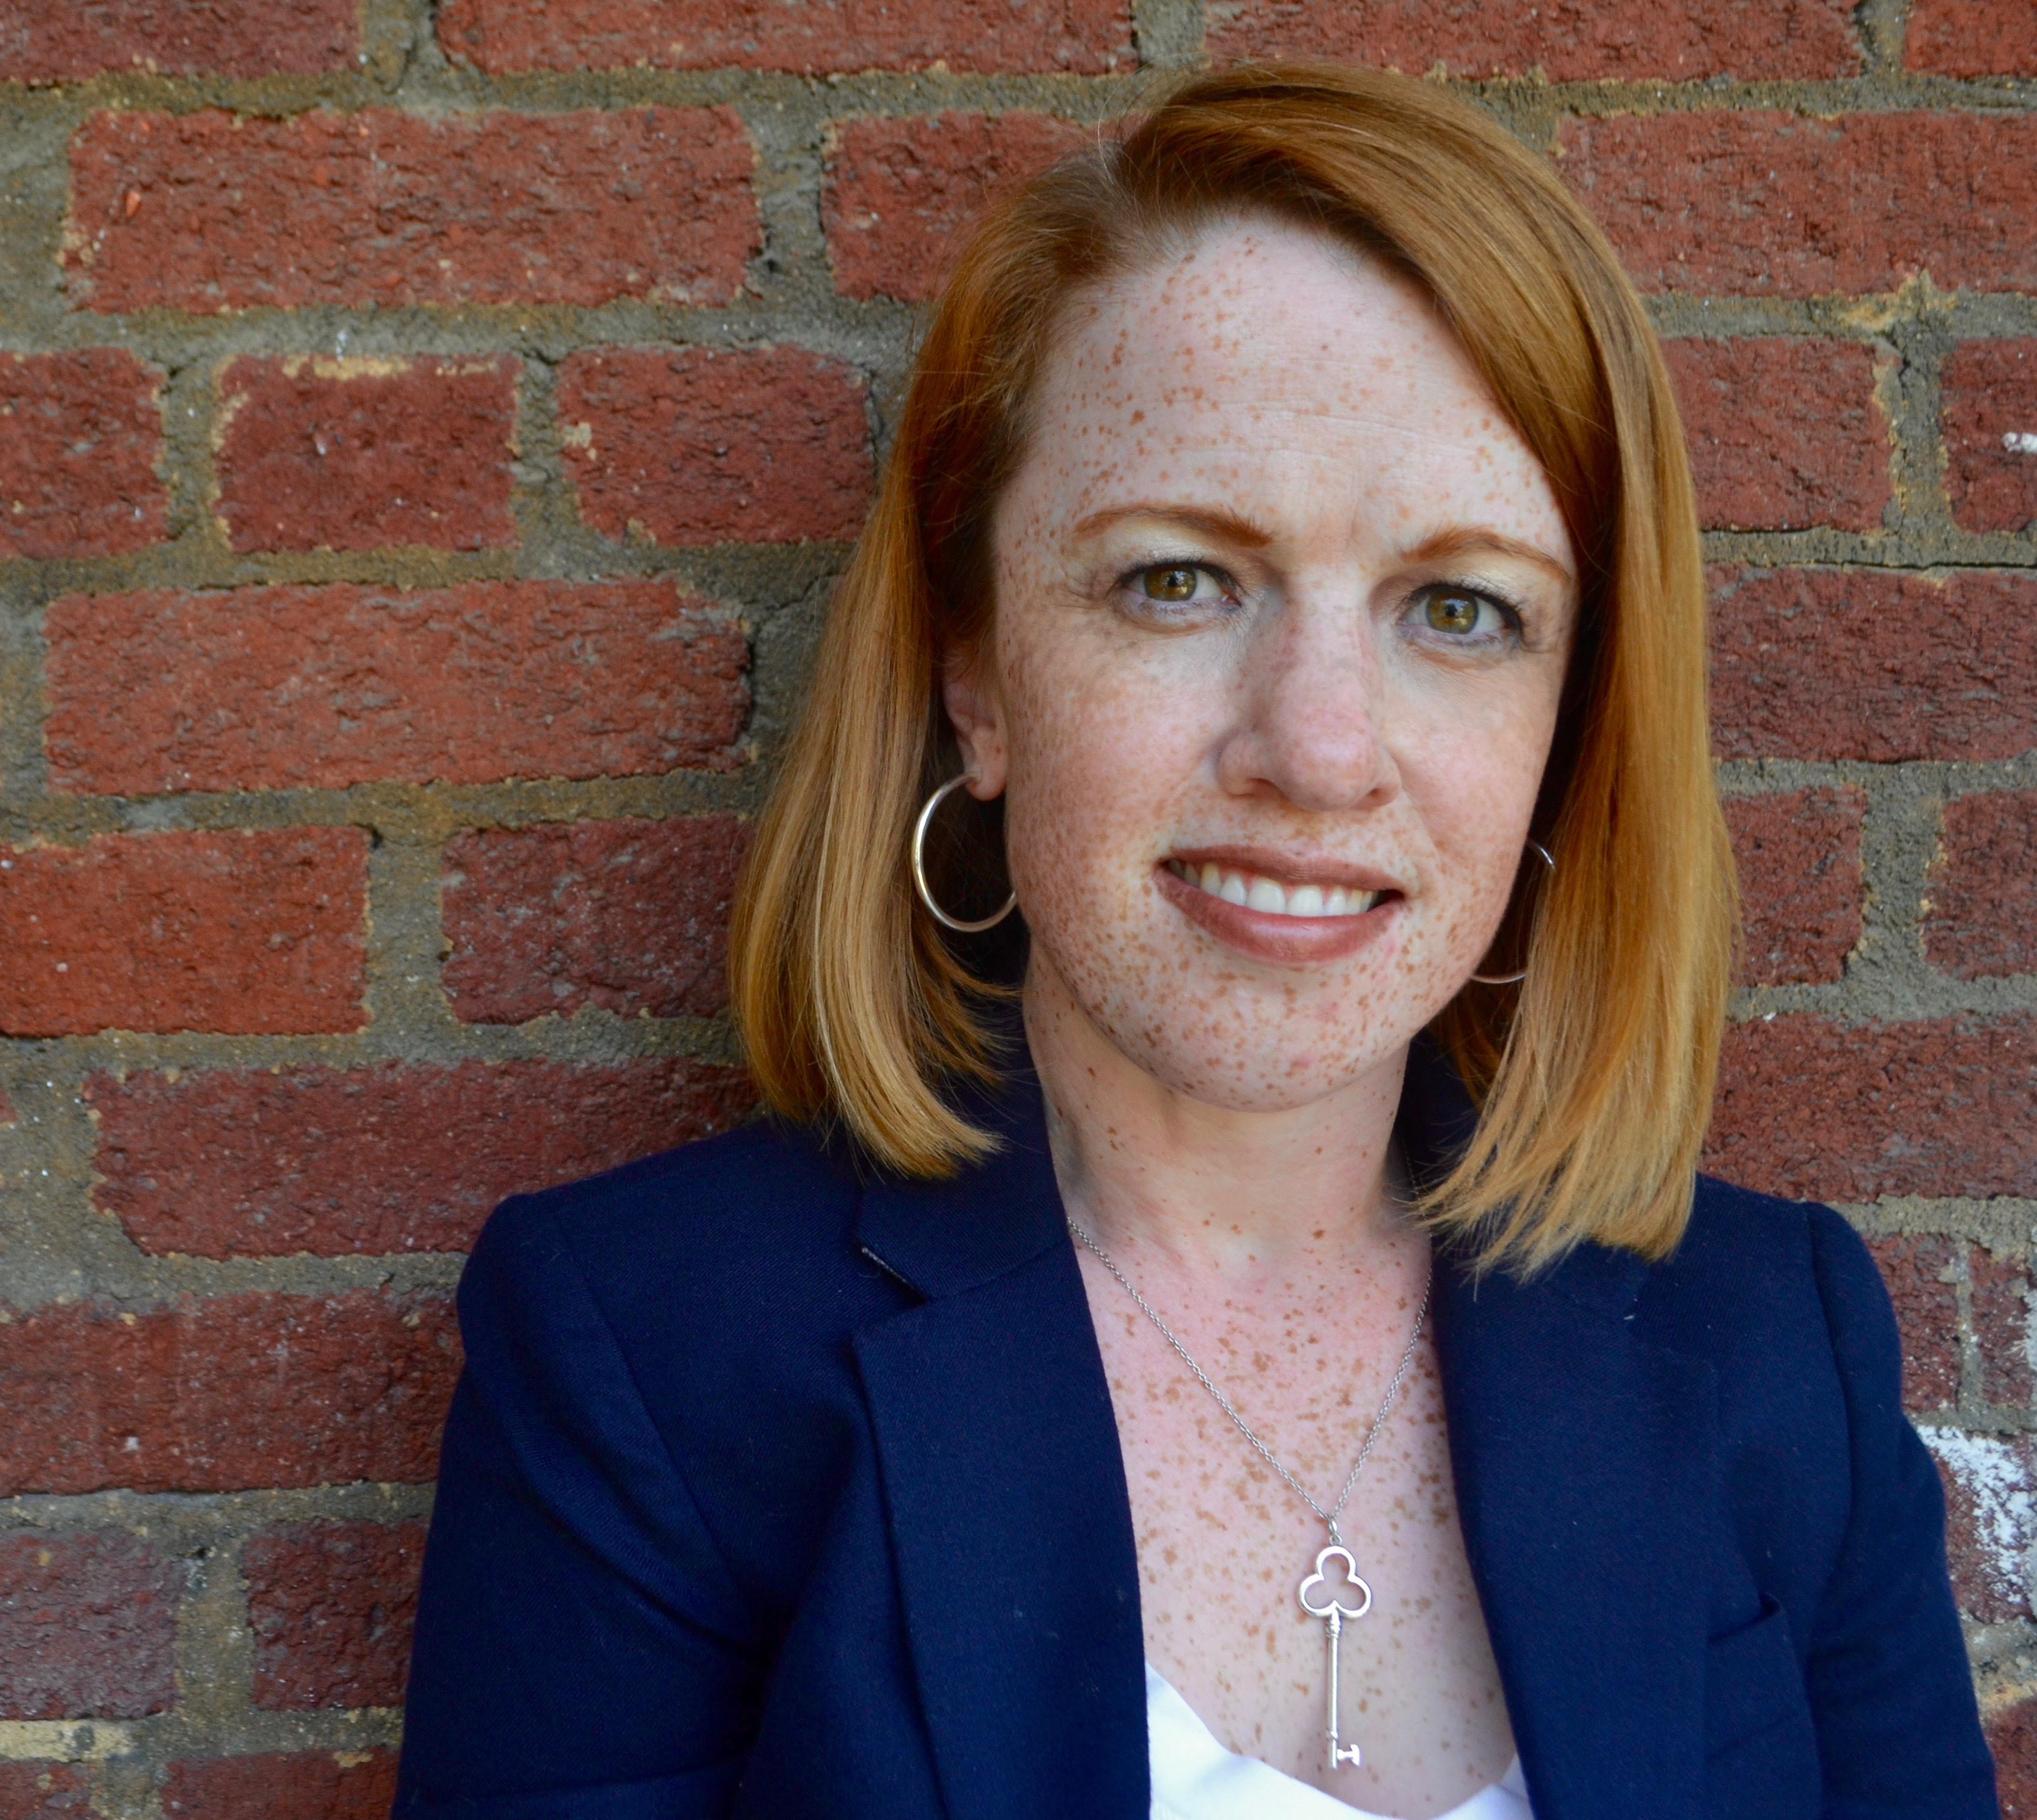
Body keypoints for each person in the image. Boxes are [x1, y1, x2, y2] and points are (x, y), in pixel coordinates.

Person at [393, 63, 1996, 1820]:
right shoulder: (653, 1355)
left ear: (1572, 716)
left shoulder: (1774, 1344)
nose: (1314, 748)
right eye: (1176, 578)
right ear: (976, 671)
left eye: (1460, 611)